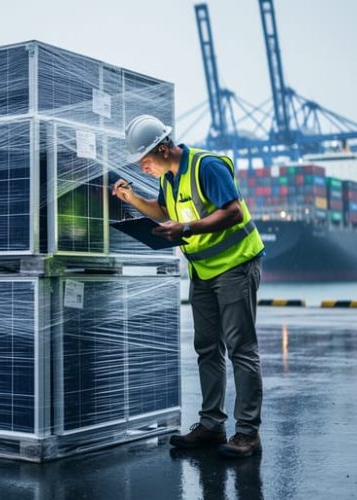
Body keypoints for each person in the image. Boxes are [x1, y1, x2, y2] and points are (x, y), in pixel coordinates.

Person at [112, 115, 265, 459]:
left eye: (146, 160)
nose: (144, 167)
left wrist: (187, 229)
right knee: (207, 348)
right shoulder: (169, 179)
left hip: (236, 266)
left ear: (164, 148)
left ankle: (248, 434)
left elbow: (234, 213)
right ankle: (212, 426)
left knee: (241, 349)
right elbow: (162, 211)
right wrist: (132, 197)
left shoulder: (206, 166)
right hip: (203, 271)